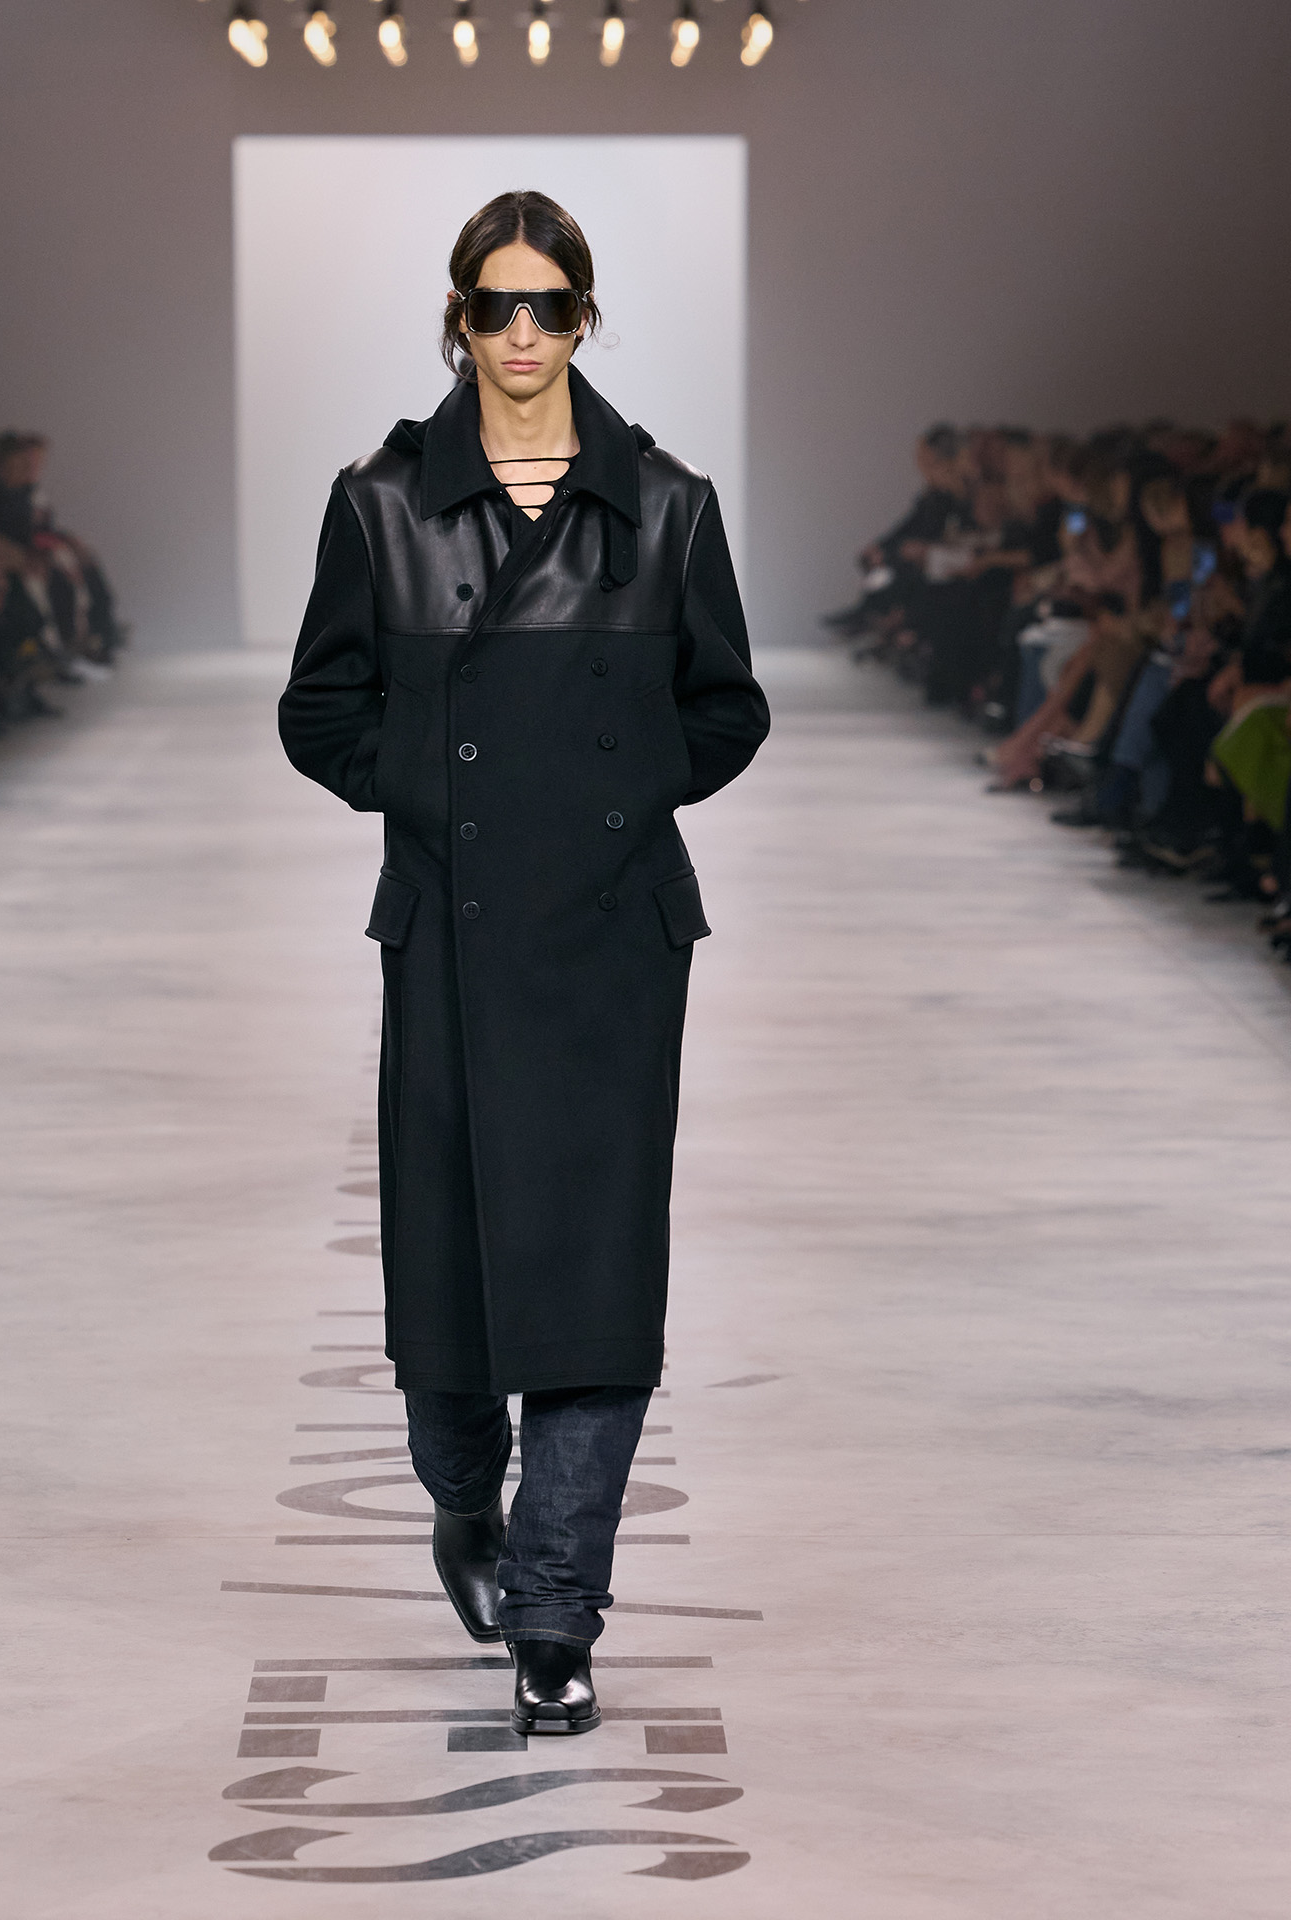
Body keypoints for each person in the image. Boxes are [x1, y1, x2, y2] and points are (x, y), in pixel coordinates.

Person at [279, 190, 769, 1737]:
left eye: (548, 305)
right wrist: (435, 787)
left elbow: (729, 705)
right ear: (458, 318)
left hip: (613, 935)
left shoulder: (668, 505)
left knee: (597, 1272)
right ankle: (461, 1499)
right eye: (493, 305)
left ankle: (557, 1610)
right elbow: (319, 708)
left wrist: (612, 793)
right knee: (448, 1269)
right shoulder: (381, 503)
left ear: (584, 317)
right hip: (450, 921)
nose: (520, 333)